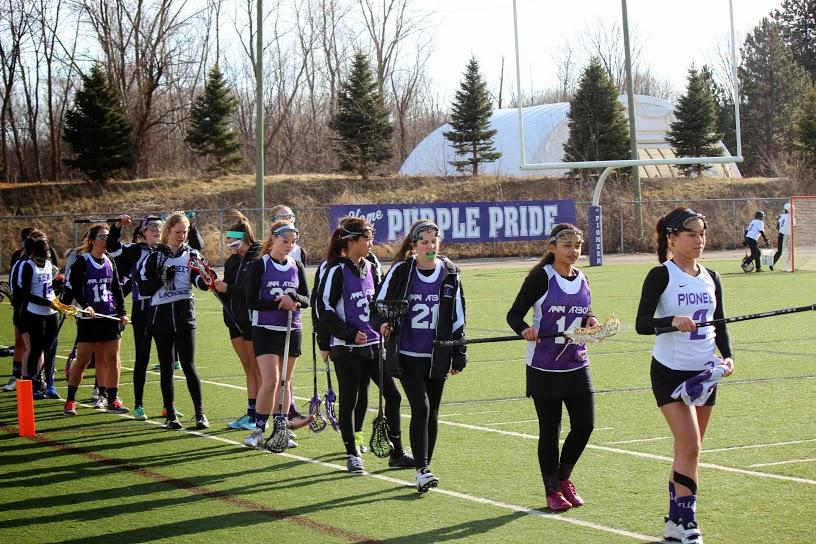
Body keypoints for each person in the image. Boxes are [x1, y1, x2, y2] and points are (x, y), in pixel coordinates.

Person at [635, 207, 734, 544]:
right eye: (691, 234)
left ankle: (674, 521)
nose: (699, 240)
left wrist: (728, 356)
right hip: (670, 372)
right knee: (689, 444)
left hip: (704, 373)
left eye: (702, 233)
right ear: (672, 238)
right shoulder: (661, 275)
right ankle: (688, 521)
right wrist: (671, 321)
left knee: (689, 450)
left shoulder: (712, 277)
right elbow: (641, 324)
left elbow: (719, 322)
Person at [506, 223, 598, 512]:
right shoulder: (541, 278)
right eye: (567, 245)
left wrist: (591, 321)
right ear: (553, 248)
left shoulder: (583, 278)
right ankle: (551, 489)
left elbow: (585, 312)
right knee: (550, 429)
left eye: (577, 245)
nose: (573, 251)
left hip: (576, 362)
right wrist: (524, 329)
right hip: (544, 365)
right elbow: (514, 314)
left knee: (585, 425)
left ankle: (564, 478)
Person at [374, 220, 466, 493]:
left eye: (433, 241)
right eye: (423, 242)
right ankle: (421, 469)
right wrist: (382, 321)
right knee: (421, 407)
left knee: (433, 411)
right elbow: (378, 303)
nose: (429, 246)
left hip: (436, 354)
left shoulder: (450, 272)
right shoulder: (402, 270)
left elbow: (459, 316)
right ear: (413, 246)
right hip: (407, 354)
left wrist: (459, 352)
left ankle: (426, 464)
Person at [317, 216, 413, 474]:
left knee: (393, 396)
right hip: (347, 348)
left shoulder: (372, 265)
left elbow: (378, 303)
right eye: (367, 239)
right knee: (350, 400)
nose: (371, 243)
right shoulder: (335, 270)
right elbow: (323, 309)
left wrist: (382, 323)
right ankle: (352, 454)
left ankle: (396, 452)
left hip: (373, 345)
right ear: (351, 241)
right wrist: (348, 333)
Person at [137, 212, 210, 430]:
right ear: (168, 231)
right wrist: (160, 277)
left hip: (184, 312)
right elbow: (143, 288)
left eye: (185, 232)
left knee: (188, 364)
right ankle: (170, 415)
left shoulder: (191, 253)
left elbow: (199, 279)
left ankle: (200, 414)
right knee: (167, 366)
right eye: (178, 232)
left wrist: (204, 280)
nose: (181, 236)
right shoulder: (154, 255)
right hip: (161, 315)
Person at [242, 220, 311, 449]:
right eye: (285, 241)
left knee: (285, 382)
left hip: (292, 330)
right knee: (270, 380)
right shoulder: (259, 265)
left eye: (292, 242)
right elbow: (251, 301)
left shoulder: (296, 265)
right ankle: (259, 430)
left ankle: (281, 429)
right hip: (265, 329)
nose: (289, 245)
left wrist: (294, 299)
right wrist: (279, 303)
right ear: (273, 238)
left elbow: (306, 299)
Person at [62, 224, 130, 416]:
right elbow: (75, 288)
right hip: (89, 318)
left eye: (107, 237)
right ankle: (70, 401)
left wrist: (122, 312)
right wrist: (85, 305)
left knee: (113, 360)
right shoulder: (82, 262)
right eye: (101, 237)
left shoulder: (110, 261)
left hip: (108, 315)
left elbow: (116, 289)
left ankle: (112, 399)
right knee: (82, 359)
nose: (105, 241)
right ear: (91, 240)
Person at [107, 214, 163, 419]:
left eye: (159, 227)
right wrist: (117, 226)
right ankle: (139, 405)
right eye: (152, 228)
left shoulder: (167, 250)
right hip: (143, 308)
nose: (157, 231)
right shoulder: (135, 250)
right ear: (142, 232)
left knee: (167, 358)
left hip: (164, 308)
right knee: (143, 357)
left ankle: (169, 406)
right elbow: (112, 247)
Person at [213, 211, 263, 430]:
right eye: (230, 244)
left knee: (258, 369)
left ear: (245, 238)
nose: (233, 248)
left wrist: (229, 288)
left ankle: (260, 415)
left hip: (250, 321)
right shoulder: (233, 261)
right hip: (232, 321)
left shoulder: (258, 258)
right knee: (248, 369)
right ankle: (251, 413)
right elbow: (228, 290)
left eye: (235, 243)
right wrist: (216, 286)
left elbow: (254, 292)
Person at [16, 237, 60, 399]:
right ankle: (32, 384)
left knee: (49, 350)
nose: (42, 262)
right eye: (39, 259)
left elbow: (48, 285)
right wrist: (45, 302)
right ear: (33, 255)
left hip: (52, 313)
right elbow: (24, 294)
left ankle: (49, 383)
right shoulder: (28, 266)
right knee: (35, 349)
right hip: (35, 313)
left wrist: (58, 288)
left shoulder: (49, 264)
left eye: (45, 258)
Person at [770, 203, 792, 271]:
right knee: (790, 251)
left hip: (781, 235)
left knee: (779, 251)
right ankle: (788, 265)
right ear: (788, 209)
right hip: (787, 235)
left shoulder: (781, 216)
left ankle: (772, 263)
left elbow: (777, 227)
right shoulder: (790, 216)